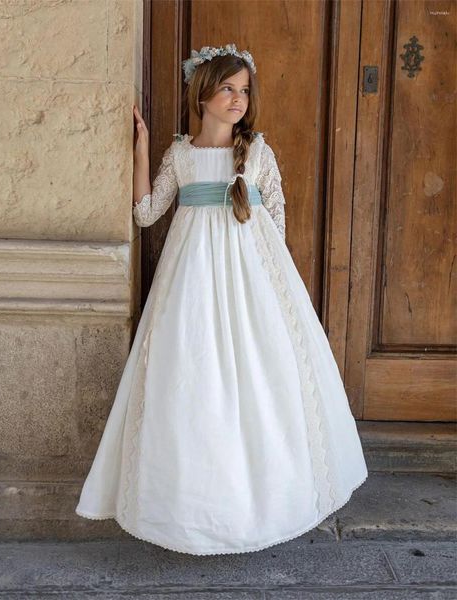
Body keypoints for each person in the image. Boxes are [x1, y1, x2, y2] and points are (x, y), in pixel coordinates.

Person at [75, 43, 368, 555]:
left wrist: (274, 289)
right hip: (190, 285)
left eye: (244, 90)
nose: (238, 99)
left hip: (252, 282)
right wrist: (142, 149)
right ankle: (190, 507)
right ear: (203, 93)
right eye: (228, 89)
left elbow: (274, 219)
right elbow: (146, 214)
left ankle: (271, 498)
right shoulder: (182, 156)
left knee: (260, 376)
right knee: (192, 377)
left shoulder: (257, 153)